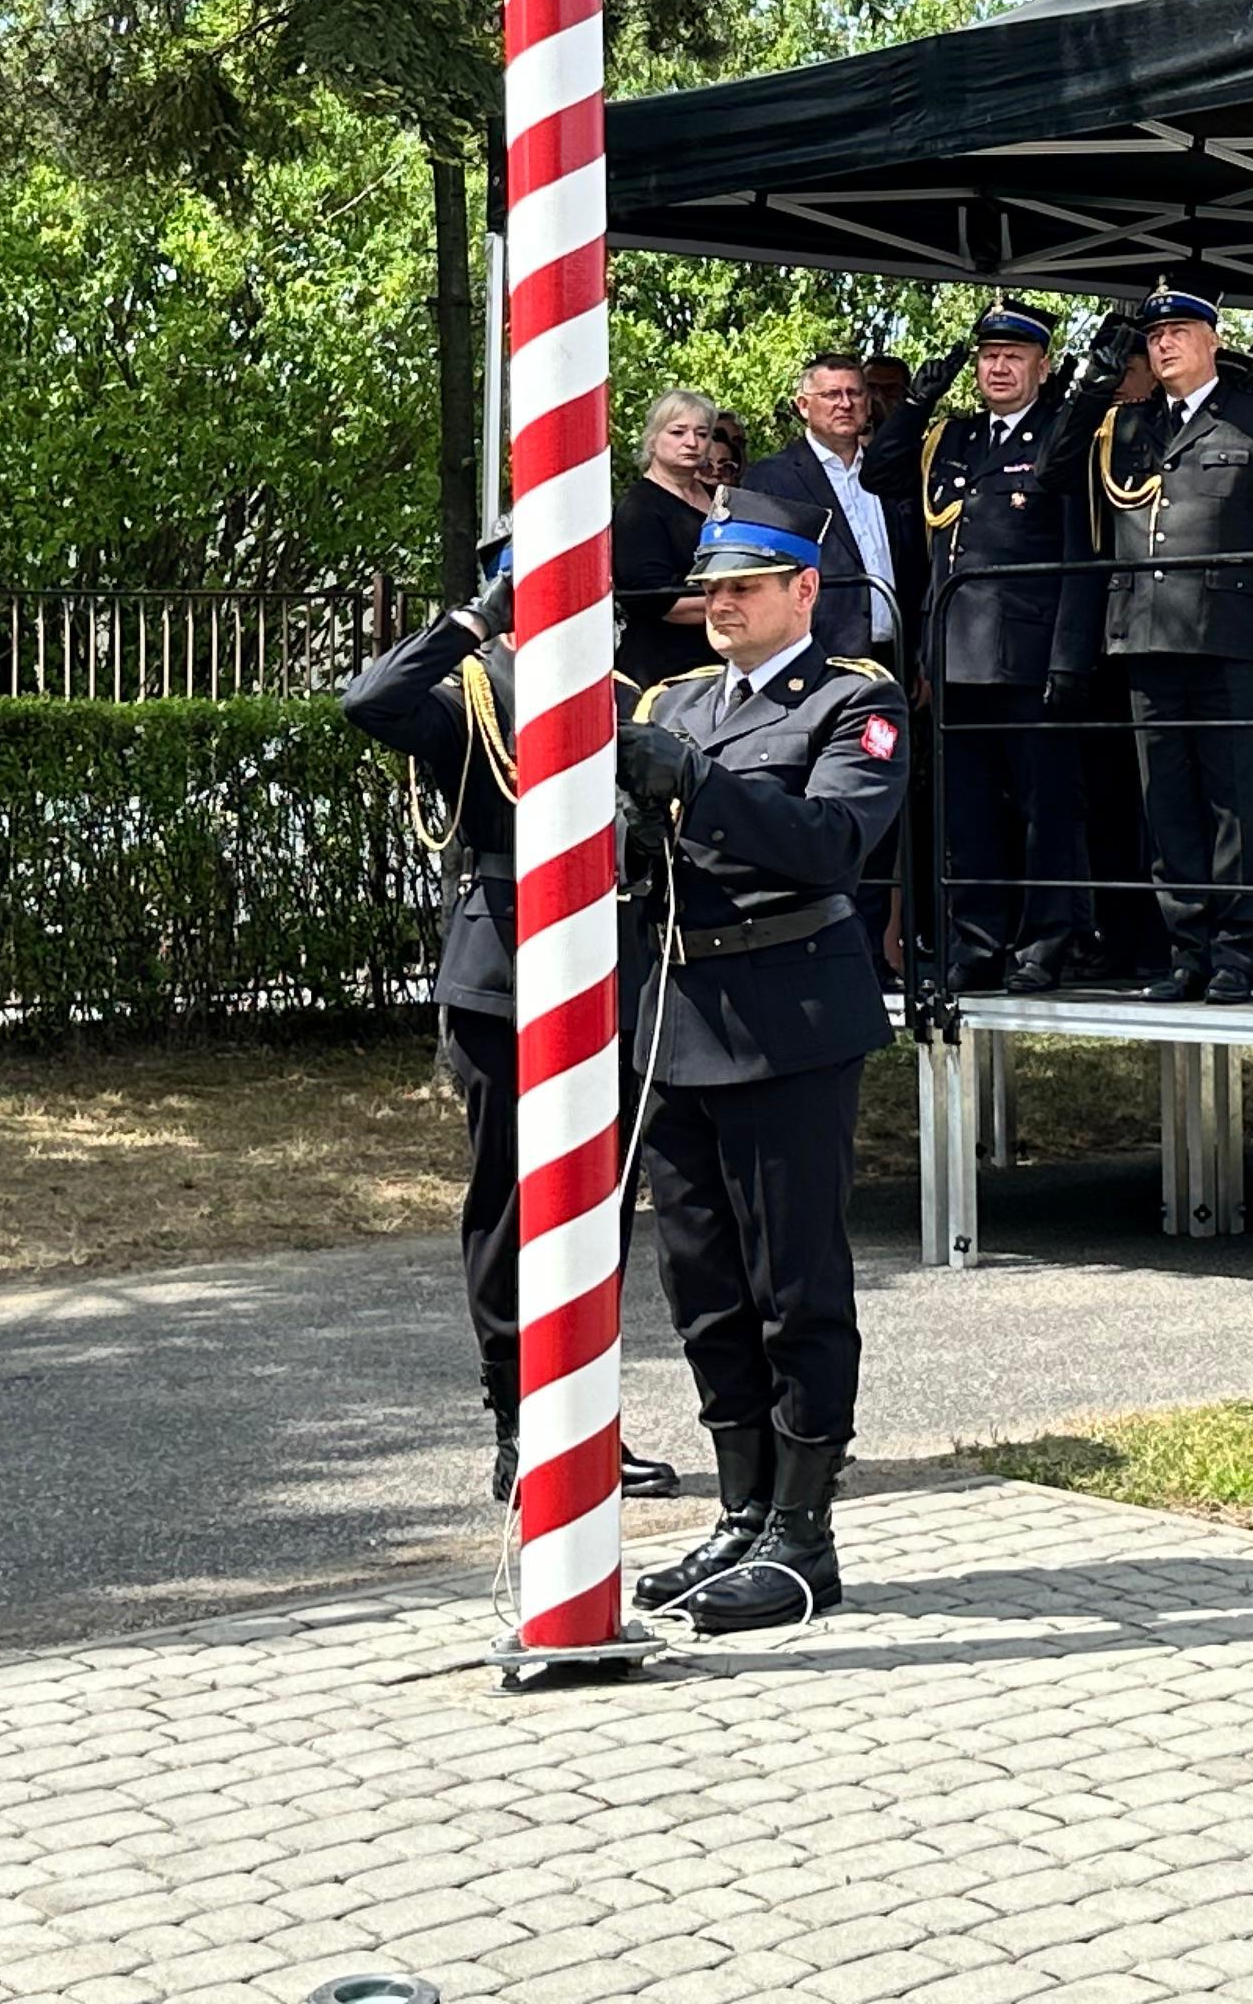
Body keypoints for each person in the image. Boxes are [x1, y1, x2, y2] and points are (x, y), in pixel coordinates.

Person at [611, 488, 906, 1632]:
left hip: (789, 1015)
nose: (720, 605)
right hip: (678, 1013)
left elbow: (830, 844)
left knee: (795, 1286)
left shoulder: (850, 700)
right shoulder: (674, 699)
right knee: (703, 1287)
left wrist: (694, 784)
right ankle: (740, 1512)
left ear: (803, 591)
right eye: (712, 588)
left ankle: (803, 1531)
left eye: (743, 586)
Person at [339, 542, 674, 1511]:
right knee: (510, 1200)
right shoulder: (472, 693)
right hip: (506, 973)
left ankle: (588, 1418)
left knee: (601, 1200)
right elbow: (369, 703)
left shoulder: (623, 694)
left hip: (609, 962)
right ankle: (518, 1423)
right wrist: (474, 621)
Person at [1074, 289, 1253, 1001]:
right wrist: (1091, 386)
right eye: (1154, 337)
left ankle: (1237, 951)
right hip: (1147, 637)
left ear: (1213, 340)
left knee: (1236, 804)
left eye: (1179, 332)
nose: (1164, 345)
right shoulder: (1127, 425)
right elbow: (1060, 471)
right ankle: (1187, 950)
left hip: (1229, 639)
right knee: (1168, 806)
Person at [874, 304, 1097, 995]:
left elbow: (1077, 554)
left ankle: (1045, 943)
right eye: (988, 356)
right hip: (955, 654)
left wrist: (1069, 655)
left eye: (1013, 357)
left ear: (1042, 367)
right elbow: (881, 473)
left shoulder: (1060, 433)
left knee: (1043, 810)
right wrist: (916, 403)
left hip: (1029, 654)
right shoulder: (953, 437)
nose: (998, 368)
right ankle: (976, 941)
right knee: (965, 812)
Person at [744, 351, 921, 665]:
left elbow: (912, 566)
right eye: (831, 395)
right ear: (803, 405)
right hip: (816, 657)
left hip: (897, 656)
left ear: (868, 403)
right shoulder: (772, 478)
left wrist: (920, 655)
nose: (845, 404)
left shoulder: (892, 473)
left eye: (855, 393)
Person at [614, 387, 729, 687]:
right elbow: (655, 600)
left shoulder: (721, 498)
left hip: (722, 659)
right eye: (678, 432)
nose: (692, 442)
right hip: (663, 670)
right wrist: (741, 602)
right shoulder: (638, 507)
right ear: (652, 439)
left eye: (702, 434)